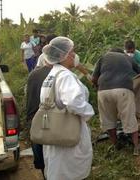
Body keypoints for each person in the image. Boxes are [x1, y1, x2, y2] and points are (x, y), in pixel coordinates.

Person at [40, 36, 94, 179]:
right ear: (64, 55)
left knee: (58, 168)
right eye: (72, 51)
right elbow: (74, 103)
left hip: (54, 129)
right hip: (68, 130)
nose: (74, 55)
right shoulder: (66, 76)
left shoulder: (52, 75)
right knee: (69, 171)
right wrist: (89, 112)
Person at [92, 48, 140, 155]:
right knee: (129, 117)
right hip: (123, 89)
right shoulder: (128, 58)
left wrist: (97, 86)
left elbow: (94, 79)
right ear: (122, 53)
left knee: (108, 119)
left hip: (103, 91)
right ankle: (136, 147)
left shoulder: (103, 57)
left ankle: (115, 145)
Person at [26, 57, 52, 179]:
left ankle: (44, 175)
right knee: (53, 154)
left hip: (34, 117)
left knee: (40, 152)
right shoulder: (59, 75)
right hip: (51, 118)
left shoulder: (33, 74)